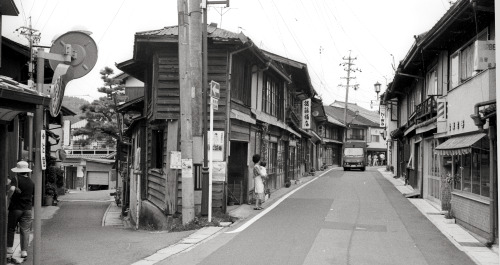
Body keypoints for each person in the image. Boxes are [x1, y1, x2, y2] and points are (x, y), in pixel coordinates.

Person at [7, 161, 34, 259]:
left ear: (18, 170)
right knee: (25, 230)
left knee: (11, 228)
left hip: (16, 208)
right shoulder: (31, 182)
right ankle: (23, 251)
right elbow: (33, 194)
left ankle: (9, 248)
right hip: (27, 209)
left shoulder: (16, 178)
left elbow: (12, 189)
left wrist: (9, 198)